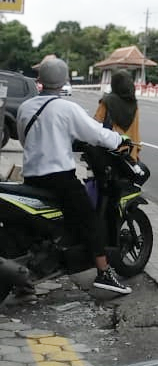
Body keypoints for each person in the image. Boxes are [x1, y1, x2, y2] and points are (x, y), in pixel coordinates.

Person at [16, 57, 133, 295]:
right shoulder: (67, 108)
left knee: (35, 229)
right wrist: (120, 140)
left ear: (39, 80)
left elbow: (23, 140)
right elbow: (96, 134)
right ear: (64, 81)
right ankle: (104, 273)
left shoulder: (25, 107)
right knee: (90, 220)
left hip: (31, 178)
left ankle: (26, 279)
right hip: (60, 179)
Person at [94, 71, 142, 161]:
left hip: (111, 153)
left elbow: (95, 124)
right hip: (131, 153)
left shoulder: (107, 101)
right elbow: (135, 131)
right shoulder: (134, 104)